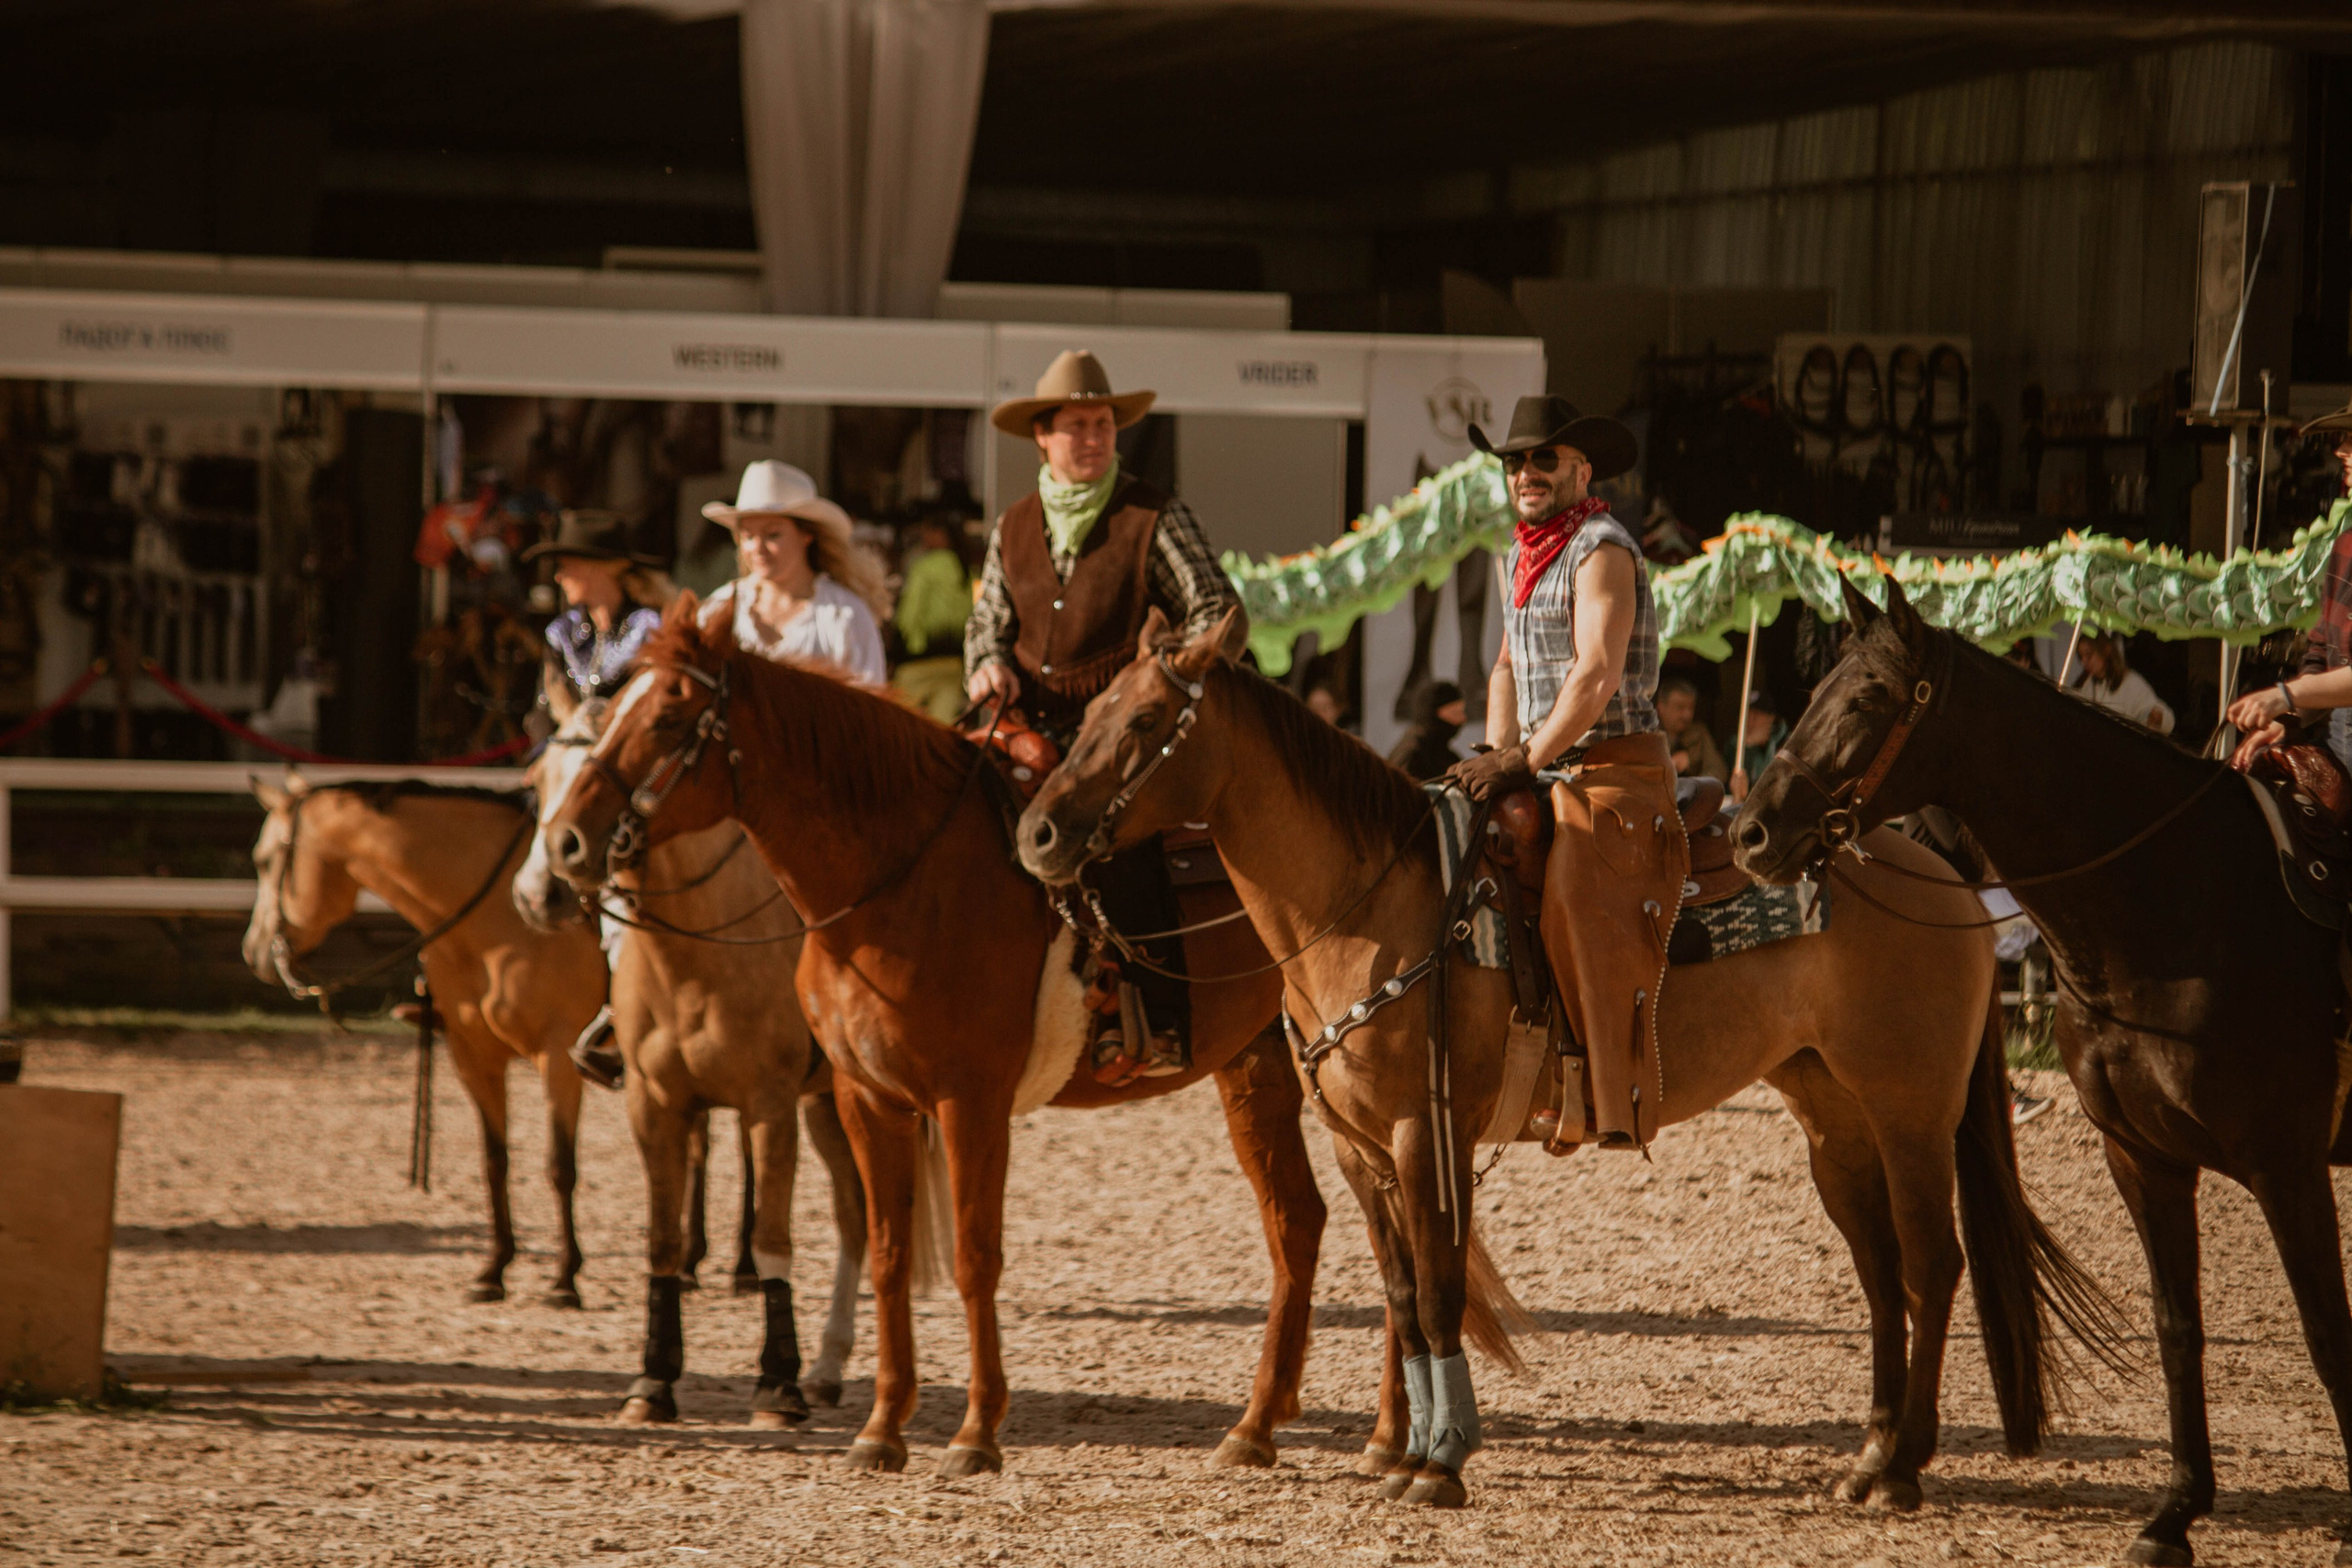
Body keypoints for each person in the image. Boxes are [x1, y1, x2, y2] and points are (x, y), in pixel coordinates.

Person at [965, 350, 1245, 1081]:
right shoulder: (1013, 525)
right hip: (1025, 722)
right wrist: (985, 664)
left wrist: (1152, 678)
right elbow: (986, 622)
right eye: (1076, 425)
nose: (1093, 437)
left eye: (1103, 424)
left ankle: (1162, 1021)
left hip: (1124, 730)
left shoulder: (1155, 514)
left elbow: (1217, 611)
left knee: (1119, 831)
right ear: (1043, 438)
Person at [1444, 394, 1683, 1151]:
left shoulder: (1603, 547)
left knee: (1575, 887)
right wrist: (1493, 755)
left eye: (1542, 457)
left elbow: (1596, 674)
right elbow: (1508, 667)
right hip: (1549, 763)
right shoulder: (1518, 554)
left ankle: (1592, 1091)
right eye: (1515, 460)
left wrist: (1523, 760)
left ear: (1582, 467)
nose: (1525, 472)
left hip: (1617, 768)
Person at [699, 461, 889, 687]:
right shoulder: (719, 609)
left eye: (772, 535)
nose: (758, 548)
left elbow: (869, 705)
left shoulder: (843, 616)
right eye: (748, 537)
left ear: (806, 534)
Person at [2238, 400, 2352, 768]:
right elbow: (2321, 650)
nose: (2342, 451)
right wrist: (2293, 718)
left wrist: (2287, 696)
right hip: (2340, 749)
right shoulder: (2346, 544)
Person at [526, 511, 673, 704]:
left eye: (566, 566)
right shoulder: (564, 631)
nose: (558, 576)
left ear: (595, 568)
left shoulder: (649, 627)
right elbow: (543, 710)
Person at [891, 514, 973, 723]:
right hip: (956, 659)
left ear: (939, 534)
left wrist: (908, 647)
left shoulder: (924, 566)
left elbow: (910, 614)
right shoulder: (967, 567)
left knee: (899, 720)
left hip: (923, 658)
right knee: (942, 726)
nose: (923, 537)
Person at [2070, 632, 2175, 734]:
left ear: (2106, 649)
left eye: (2088, 655)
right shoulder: (2087, 686)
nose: (2084, 662)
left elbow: (2156, 713)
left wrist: (2157, 717)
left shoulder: (2131, 683)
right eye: (2081, 657)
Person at [1387, 680, 1464, 780]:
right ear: (1433, 714)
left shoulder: (1444, 754)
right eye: (1455, 712)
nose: (1463, 718)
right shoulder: (1412, 754)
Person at [1656, 675, 1727, 782]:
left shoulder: (1699, 733)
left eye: (1691, 708)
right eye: (1680, 707)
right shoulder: (1649, 734)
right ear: (1661, 707)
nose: (1687, 715)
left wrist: (1691, 762)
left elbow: (1718, 771)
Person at [1730, 690, 1787, 803]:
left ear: (1771, 718)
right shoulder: (1734, 744)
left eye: (1756, 715)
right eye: (1746, 714)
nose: (1749, 720)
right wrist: (1747, 747)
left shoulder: (1786, 744)